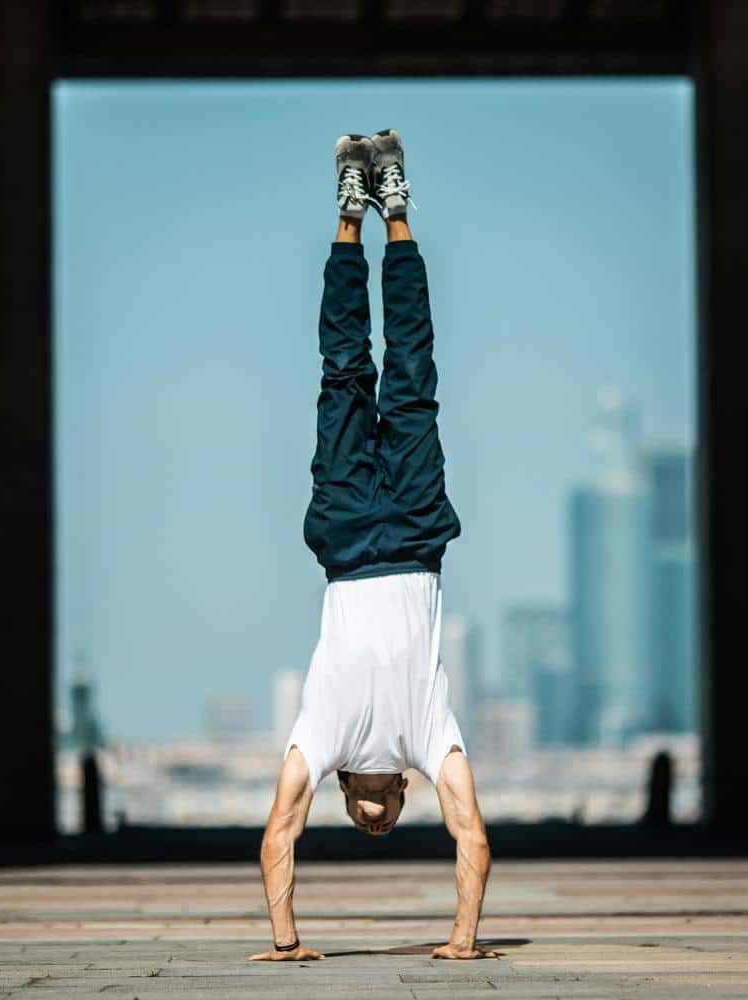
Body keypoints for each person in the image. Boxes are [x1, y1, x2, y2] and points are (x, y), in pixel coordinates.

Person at [249, 130, 495, 964]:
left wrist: (285, 941)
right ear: (397, 797)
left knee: (345, 371)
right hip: (418, 533)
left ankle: (347, 218)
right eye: (385, 816)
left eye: (364, 817)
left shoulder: (324, 738)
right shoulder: (432, 740)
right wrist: (462, 941)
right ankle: (396, 211)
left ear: (348, 793)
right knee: (414, 378)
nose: (376, 815)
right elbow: (474, 837)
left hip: (351, 536)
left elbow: (280, 829)